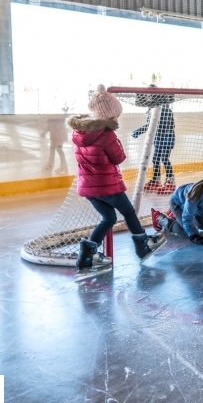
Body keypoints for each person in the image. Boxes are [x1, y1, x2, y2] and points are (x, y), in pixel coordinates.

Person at [69, 84, 166, 272]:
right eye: (116, 115)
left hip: (88, 187)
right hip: (107, 186)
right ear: (109, 115)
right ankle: (143, 245)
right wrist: (116, 140)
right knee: (129, 212)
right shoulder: (107, 135)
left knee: (109, 217)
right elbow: (119, 157)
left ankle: (87, 256)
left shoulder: (79, 133)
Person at [131, 84, 176, 194]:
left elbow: (170, 125)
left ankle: (171, 181)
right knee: (155, 159)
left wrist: (168, 138)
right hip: (157, 139)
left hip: (166, 139)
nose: (149, 96)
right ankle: (156, 180)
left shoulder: (165, 109)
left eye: (151, 94)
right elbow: (150, 125)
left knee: (164, 158)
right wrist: (138, 131)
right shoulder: (151, 109)